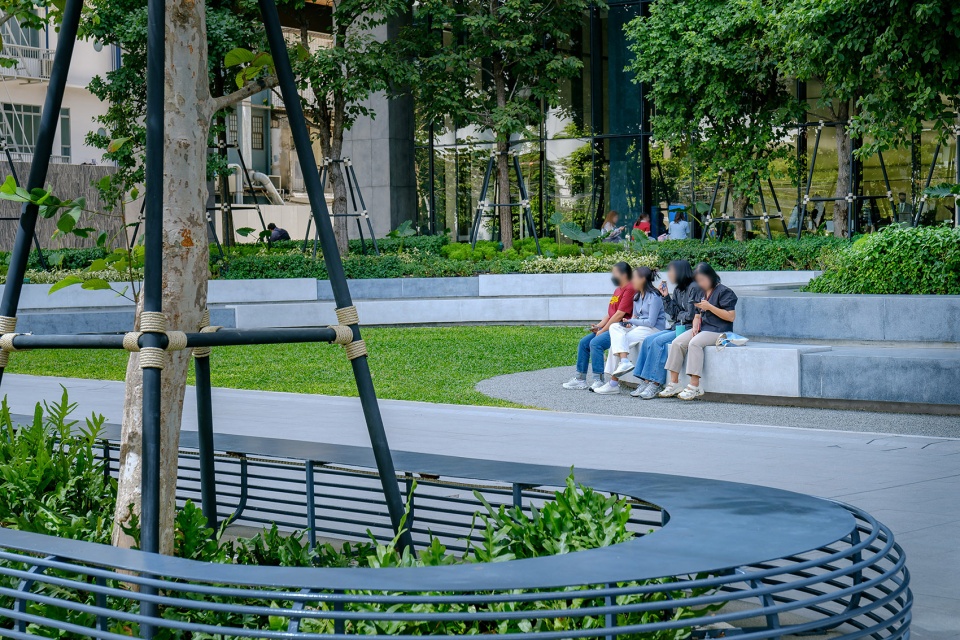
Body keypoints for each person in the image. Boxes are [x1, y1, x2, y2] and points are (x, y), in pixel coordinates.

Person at [659, 262, 738, 400]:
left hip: (719, 330)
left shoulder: (725, 292)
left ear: (711, 276)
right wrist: (695, 325)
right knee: (677, 342)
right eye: (698, 281)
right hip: (703, 328)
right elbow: (697, 314)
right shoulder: (701, 292)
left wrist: (710, 307)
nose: (700, 283)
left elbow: (731, 317)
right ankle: (674, 383)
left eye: (702, 280)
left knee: (694, 343)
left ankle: (695, 386)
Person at [629, 260, 700, 399]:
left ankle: (655, 383)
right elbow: (674, 314)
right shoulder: (678, 289)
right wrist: (666, 296)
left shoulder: (694, 288)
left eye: (671, 271)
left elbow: (691, 315)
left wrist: (680, 314)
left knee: (659, 342)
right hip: (678, 326)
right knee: (648, 340)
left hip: (689, 328)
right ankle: (645, 381)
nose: (669, 274)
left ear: (680, 271)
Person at [562, 262, 635, 391]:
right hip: (610, 326)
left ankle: (599, 380)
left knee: (596, 343)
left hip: (620, 328)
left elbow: (619, 314)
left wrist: (603, 330)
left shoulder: (630, 289)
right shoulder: (617, 290)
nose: (613, 276)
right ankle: (580, 379)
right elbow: (610, 313)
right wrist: (599, 326)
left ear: (624, 274)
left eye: (615, 273)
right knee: (584, 343)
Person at [593, 267, 667, 395]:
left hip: (654, 329)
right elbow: (635, 317)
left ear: (642, 279)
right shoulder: (637, 296)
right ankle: (624, 362)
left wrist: (632, 322)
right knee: (614, 327)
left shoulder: (654, 296)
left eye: (634, 278)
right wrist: (628, 324)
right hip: (639, 328)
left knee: (620, 342)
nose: (631, 280)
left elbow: (651, 322)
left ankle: (613, 383)